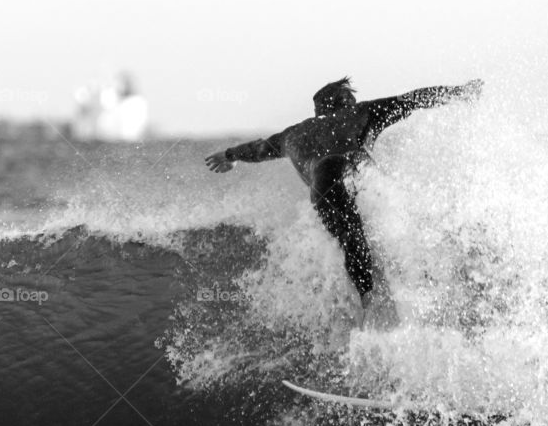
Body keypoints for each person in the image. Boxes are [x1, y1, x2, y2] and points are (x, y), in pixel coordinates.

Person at [205, 76, 483, 323]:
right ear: (346, 102)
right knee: (387, 230)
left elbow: (258, 147)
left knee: (350, 236)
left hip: (322, 183)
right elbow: (412, 99)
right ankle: (418, 295)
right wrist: (459, 92)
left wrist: (230, 156)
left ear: (318, 110)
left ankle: (369, 307)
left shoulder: (292, 133)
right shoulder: (361, 112)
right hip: (355, 169)